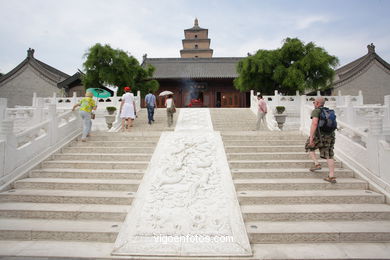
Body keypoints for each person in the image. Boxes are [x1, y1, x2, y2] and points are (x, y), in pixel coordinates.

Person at [305, 96, 336, 183]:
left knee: (309, 146)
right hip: (330, 135)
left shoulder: (316, 111)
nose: (313, 104)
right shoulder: (329, 111)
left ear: (318, 103)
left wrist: (311, 137)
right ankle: (331, 176)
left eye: (314, 102)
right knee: (329, 154)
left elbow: (314, 123)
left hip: (319, 135)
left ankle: (316, 163)